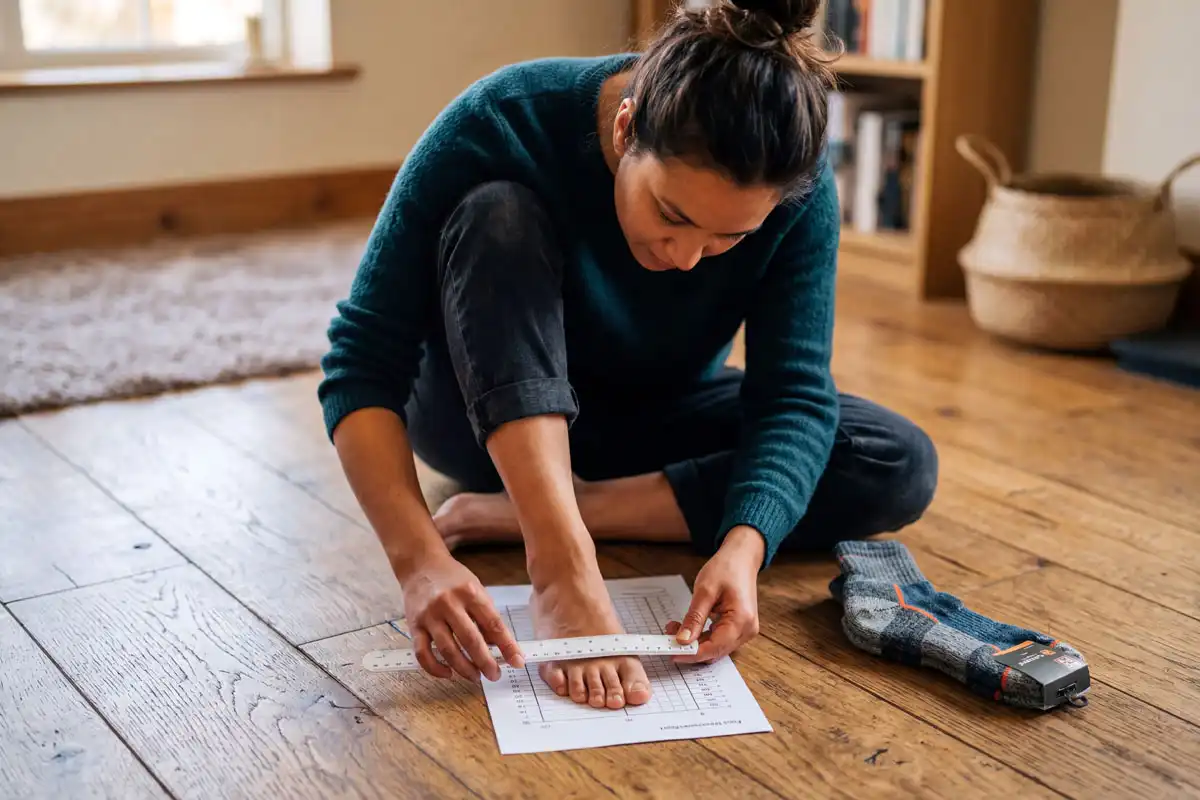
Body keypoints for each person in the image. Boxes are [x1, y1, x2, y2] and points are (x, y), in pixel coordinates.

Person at [318, 0, 937, 711]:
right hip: (478, 414)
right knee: (498, 215)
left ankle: (563, 508)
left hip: (654, 413)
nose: (684, 258)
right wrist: (419, 560)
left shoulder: (795, 187)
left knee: (897, 459)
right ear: (624, 127)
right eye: (672, 214)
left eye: (726, 238)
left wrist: (745, 545)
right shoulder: (500, 119)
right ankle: (558, 554)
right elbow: (360, 362)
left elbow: (792, 394)